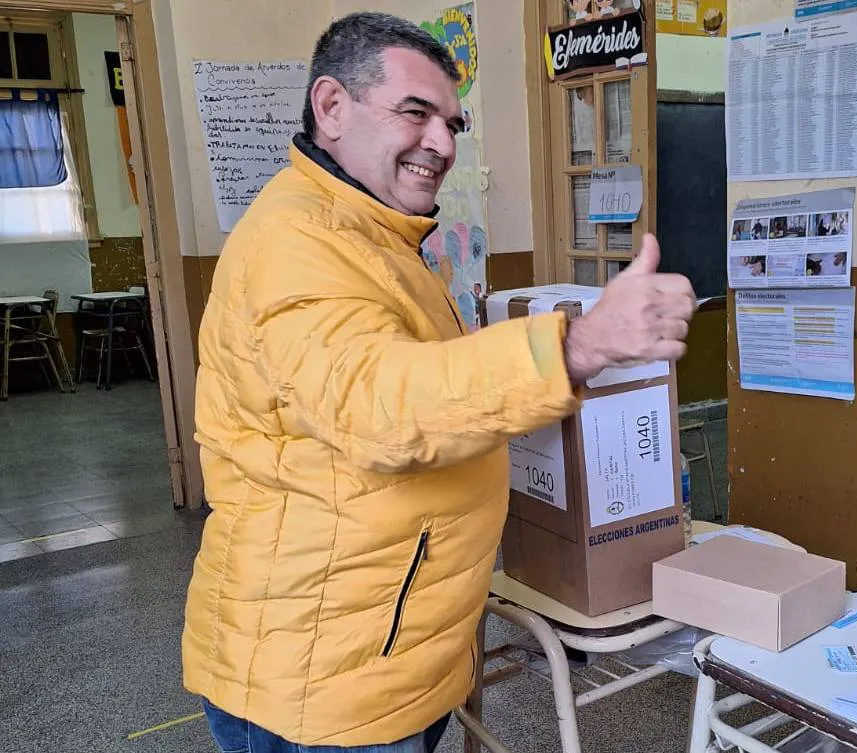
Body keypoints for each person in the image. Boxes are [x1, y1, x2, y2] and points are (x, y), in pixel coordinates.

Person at [183, 13, 696, 753]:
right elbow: (383, 406)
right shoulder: (295, 244)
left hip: (378, 654)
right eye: (414, 113)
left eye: (452, 123)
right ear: (331, 108)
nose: (443, 144)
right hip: (324, 685)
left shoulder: (375, 233)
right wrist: (580, 345)